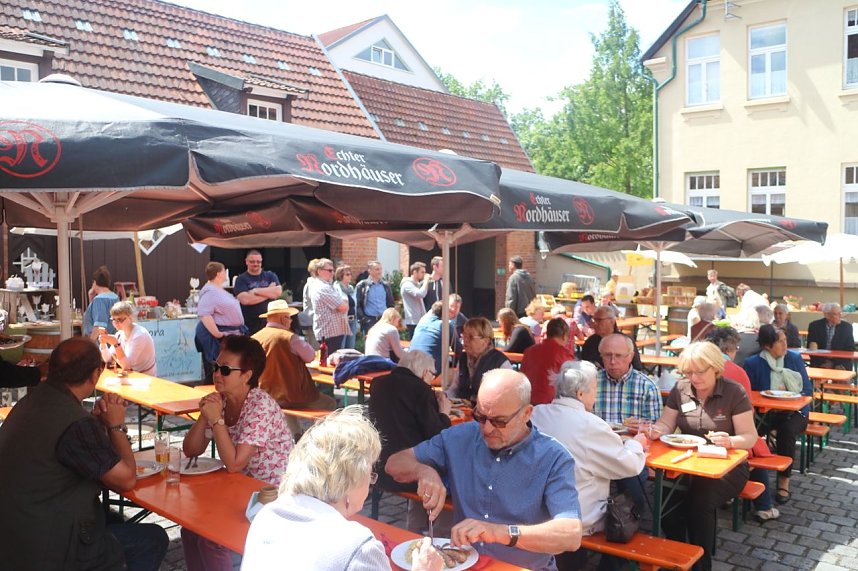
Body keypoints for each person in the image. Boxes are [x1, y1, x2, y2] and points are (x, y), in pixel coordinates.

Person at [387, 368, 583, 570]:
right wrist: (424, 471)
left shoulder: (553, 457)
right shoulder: (460, 437)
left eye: (499, 421)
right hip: (465, 564)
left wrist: (501, 533)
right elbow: (393, 463)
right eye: (480, 417)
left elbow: (571, 535)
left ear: (526, 414)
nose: (487, 429)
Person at [0, 337, 168, 571]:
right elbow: (126, 479)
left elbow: (76, 451)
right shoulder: (73, 421)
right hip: (45, 548)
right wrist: (116, 426)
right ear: (96, 373)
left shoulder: (35, 400)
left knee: (112, 518)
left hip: (16, 533)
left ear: (50, 367)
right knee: (152, 539)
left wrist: (98, 423)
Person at [242, 406, 442, 571]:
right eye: (370, 473)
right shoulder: (358, 547)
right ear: (351, 479)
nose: (370, 482)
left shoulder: (266, 515)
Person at [182, 335, 293, 571]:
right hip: (242, 487)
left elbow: (234, 464)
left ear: (246, 375)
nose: (217, 374)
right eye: (215, 367)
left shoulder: (260, 405)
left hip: (274, 494)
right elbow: (191, 450)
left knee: (213, 538)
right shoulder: (222, 400)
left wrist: (216, 420)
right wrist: (205, 415)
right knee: (190, 528)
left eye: (225, 370)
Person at [650, 342, 756, 571]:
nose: (694, 378)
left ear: (715, 368)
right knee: (666, 507)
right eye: (688, 372)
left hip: (726, 467)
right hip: (688, 462)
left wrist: (730, 441)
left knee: (698, 504)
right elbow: (666, 423)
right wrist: (657, 430)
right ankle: (680, 558)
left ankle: (701, 565)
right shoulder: (681, 388)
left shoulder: (733, 391)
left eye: (699, 372)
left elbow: (750, 437)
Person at [531, 361, 647, 570]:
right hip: (579, 517)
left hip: (536, 508)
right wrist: (636, 444)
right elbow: (629, 465)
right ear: (580, 393)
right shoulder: (590, 424)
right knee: (631, 509)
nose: (596, 395)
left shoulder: (536, 413)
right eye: (594, 389)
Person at [707, 327, 780, 522]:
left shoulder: (701, 366)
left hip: (703, 432)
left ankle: (728, 495)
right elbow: (748, 411)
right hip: (730, 436)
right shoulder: (737, 371)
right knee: (754, 447)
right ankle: (764, 507)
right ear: (730, 349)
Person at [743, 324, 813, 506]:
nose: (785, 345)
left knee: (787, 431)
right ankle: (745, 476)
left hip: (795, 412)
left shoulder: (794, 359)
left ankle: (784, 480)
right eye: (780, 341)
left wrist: (791, 397)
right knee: (747, 432)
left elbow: (807, 390)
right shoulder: (753, 363)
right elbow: (748, 393)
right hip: (764, 413)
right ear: (767, 345)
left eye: (785, 340)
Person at [369, 350, 451, 494]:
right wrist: (444, 413)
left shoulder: (377, 384)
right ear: (425, 372)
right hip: (411, 473)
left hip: (380, 469)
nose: (432, 380)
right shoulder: (421, 390)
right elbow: (438, 436)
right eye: (433, 375)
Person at [252, 300, 337, 437]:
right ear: (283, 319)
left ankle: (295, 434)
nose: (291, 321)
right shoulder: (289, 338)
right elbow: (310, 356)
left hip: (264, 394)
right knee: (329, 403)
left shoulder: (255, 338)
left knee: (284, 406)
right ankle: (319, 439)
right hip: (291, 396)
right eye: (289, 318)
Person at [194, 261, 246, 379]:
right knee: (219, 370)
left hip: (230, 335)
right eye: (224, 271)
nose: (225, 273)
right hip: (220, 337)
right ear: (218, 274)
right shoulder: (210, 291)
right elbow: (204, 314)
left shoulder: (217, 290)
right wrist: (217, 334)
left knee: (228, 369)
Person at [594, 334, 661, 425]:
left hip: (633, 434)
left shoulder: (647, 387)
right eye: (607, 355)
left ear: (631, 356)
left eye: (618, 356)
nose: (613, 361)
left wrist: (639, 425)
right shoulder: (591, 382)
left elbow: (654, 426)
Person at [450, 317, 511, 405]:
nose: (465, 341)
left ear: (485, 341)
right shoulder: (464, 358)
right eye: (464, 336)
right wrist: (443, 396)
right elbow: (454, 389)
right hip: (463, 409)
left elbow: (505, 396)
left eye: (470, 337)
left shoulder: (501, 362)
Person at [521, 318, 574, 405]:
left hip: (527, 400)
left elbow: (522, 376)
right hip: (551, 403)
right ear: (564, 336)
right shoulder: (564, 354)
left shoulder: (529, 351)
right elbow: (571, 383)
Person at [98, 300, 157, 375]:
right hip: (131, 375)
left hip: (146, 376)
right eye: (113, 319)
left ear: (130, 318)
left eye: (120, 320)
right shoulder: (120, 334)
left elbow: (127, 366)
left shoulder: (139, 335)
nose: (116, 323)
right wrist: (103, 343)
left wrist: (116, 344)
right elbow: (108, 359)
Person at [233, 249, 282, 335]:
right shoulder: (241, 279)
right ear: (246, 262)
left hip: (270, 322)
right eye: (252, 262)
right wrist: (269, 291)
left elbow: (277, 292)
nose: (255, 264)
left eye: (258, 262)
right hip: (250, 324)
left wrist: (256, 291)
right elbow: (245, 300)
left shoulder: (270, 275)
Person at [580, 306, 643, 371]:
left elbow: (637, 367)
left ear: (612, 321)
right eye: (594, 320)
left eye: (599, 320)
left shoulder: (624, 342)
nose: (595, 324)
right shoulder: (590, 342)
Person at [308, 258, 350, 352]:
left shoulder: (326, 285)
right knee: (330, 360)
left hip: (331, 333)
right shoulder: (323, 288)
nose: (333, 273)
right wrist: (344, 301)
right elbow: (344, 307)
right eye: (329, 270)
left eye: (333, 270)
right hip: (329, 334)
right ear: (319, 271)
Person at [410, 301, 460, 375]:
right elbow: (457, 348)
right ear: (446, 313)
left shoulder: (422, 321)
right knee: (455, 373)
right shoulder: (445, 325)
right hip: (428, 370)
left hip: (410, 365)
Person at [807, 303, 855, 369]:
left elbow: (850, 349)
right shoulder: (815, 326)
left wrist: (833, 363)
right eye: (836, 314)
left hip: (840, 362)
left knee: (839, 369)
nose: (840, 316)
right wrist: (823, 363)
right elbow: (811, 348)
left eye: (840, 313)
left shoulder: (846, 327)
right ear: (827, 315)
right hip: (820, 362)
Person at [355, 261, 395, 334]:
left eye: (380, 269)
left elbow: (391, 303)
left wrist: (390, 318)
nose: (380, 271)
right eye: (377, 269)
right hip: (369, 322)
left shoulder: (386, 285)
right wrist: (364, 320)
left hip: (384, 320)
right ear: (369, 271)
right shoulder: (362, 285)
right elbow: (357, 305)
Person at [83, 265, 120, 338]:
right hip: (112, 340)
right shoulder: (115, 297)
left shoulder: (99, 300)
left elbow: (99, 326)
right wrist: (91, 298)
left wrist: (90, 342)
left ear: (94, 282)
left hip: (100, 342)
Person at [401, 261, 430, 338]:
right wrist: (426, 281)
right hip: (413, 321)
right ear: (414, 272)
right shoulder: (407, 284)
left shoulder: (417, 284)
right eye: (422, 272)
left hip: (420, 320)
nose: (424, 274)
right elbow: (421, 294)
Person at [335, 265, 358, 349]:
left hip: (353, 321)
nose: (350, 276)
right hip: (342, 321)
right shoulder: (336, 288)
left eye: (350, 274)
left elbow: (355, 305)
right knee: (341, 348)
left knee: (351, 348)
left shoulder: (351, 288)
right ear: (340, 276)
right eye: (347, 274)